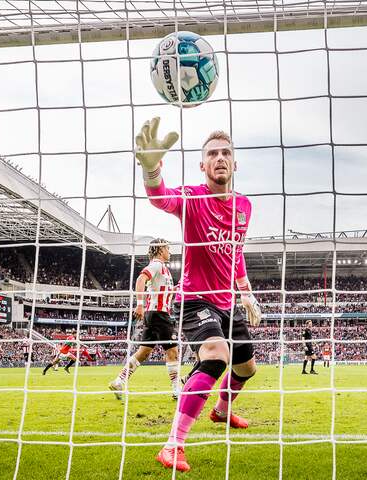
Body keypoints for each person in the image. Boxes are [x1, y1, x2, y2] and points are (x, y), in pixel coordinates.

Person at [135, 117, 262, 472]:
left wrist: (247, 294)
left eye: (226, 153)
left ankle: (222, 410)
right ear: (202, 164)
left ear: (234, 163)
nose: (220, 158)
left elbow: (235, 252)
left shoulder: (244, 206)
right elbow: (161, 198)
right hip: (195, 299)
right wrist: (151, 171)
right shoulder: (193, 198)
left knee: (247, 367)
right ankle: (172, 445)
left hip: (228, 302)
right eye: (212, 154)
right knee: (216, 355)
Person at [109, 238, 181, 400]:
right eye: (168, 248)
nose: (170, 251)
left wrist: (175, 289)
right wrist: (139, 304)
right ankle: (177, 390)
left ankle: (119, 380)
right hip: (159, 314)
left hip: (153, 314)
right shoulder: (156, 265)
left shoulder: (163, 269)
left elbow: (160, 290)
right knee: (173, 352)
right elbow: (141, 279)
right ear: (161, 249)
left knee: (143, 352)